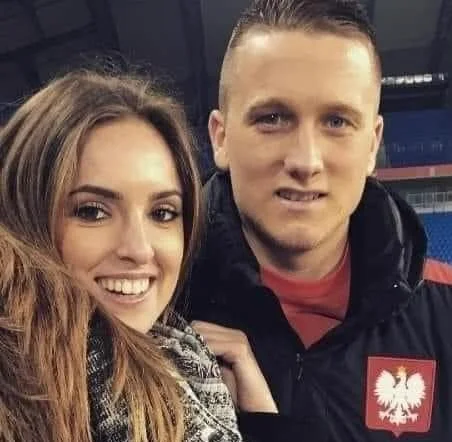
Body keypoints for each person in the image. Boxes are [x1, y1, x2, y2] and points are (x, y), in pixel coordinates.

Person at [182, 0, 452, 441]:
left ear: (372, 145)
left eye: (337, 121)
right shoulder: (157, 310)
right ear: (221, 137)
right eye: (272, 119)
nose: (306, 161)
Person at [0, 69, 281, 442]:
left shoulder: (184, 361)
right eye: (92, 211)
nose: (139, 249)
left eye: (162, 213)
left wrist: (261, 419)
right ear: (23, 214)